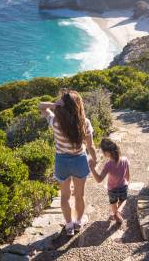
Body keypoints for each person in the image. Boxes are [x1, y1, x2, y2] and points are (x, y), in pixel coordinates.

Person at [39, 90, 97, 236]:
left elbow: (41, 106)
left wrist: (55, 105)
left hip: (62, 161)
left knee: (64, 196)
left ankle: (69, 225)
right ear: (78, 105)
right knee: (79, 195)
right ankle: (78, 223)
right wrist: (94, 159)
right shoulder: (85, 122)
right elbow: (90, 146)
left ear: (63, 106)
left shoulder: (55, 121)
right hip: (79, 160)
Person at [88, 138, 130, 224]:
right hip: (123, 187)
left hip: (112, 190)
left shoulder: (108, 165)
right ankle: (119, 212)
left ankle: (116, 214)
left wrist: (92, 169)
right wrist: (126, 184)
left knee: (113, 204)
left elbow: (99, 180)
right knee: (123, 201)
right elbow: (127, 176)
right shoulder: (125, 160)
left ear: (107, 153)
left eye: (102, 152)